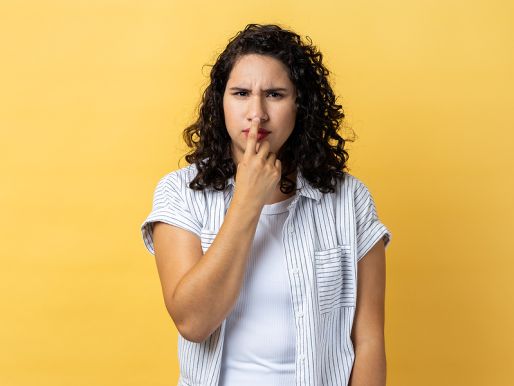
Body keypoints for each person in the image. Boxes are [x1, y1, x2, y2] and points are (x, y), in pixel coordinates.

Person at [141, 23, 392, 386]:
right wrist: (247, 201)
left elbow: (368, 341)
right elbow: (193, 322)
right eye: (241, 93)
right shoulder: (181, 193)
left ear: (300, 105)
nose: (256, 112)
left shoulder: (350, 200)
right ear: (220, 102)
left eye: (274, 94)